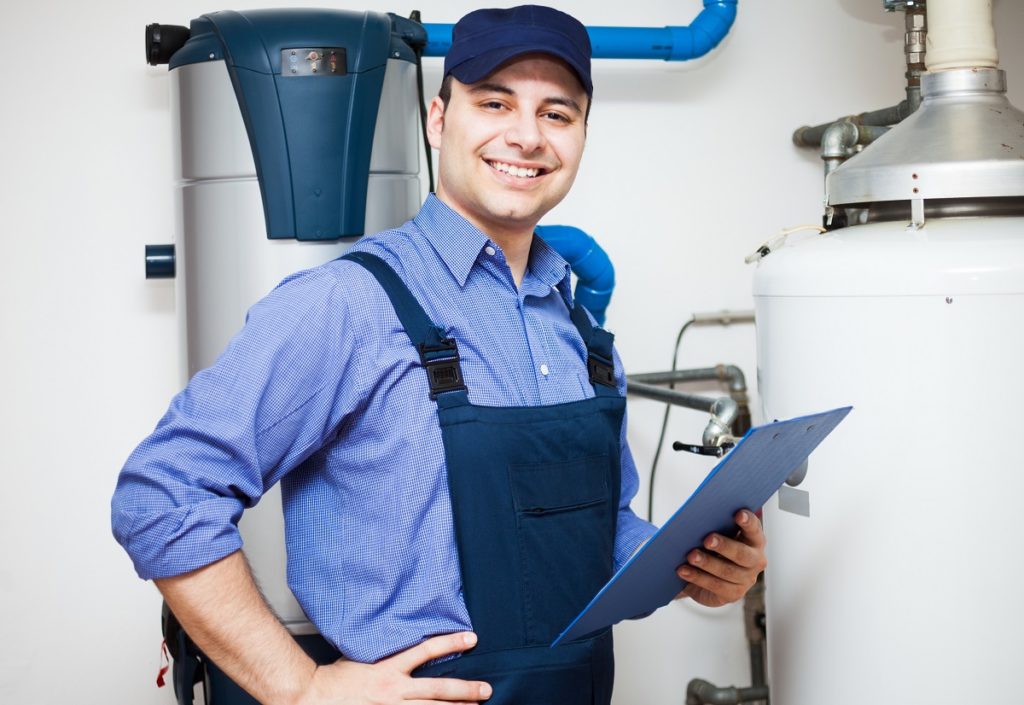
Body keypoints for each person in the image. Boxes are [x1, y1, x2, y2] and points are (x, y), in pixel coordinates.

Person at [111, 6, 767, 704]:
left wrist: (698, 565)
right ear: (437, 119)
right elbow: (162, 492)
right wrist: (299, 685)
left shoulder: (574, 325)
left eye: (557, 113)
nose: (526, 135)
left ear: (580, 136)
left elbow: (591, 537)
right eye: (494, 102)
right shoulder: (349, 303)